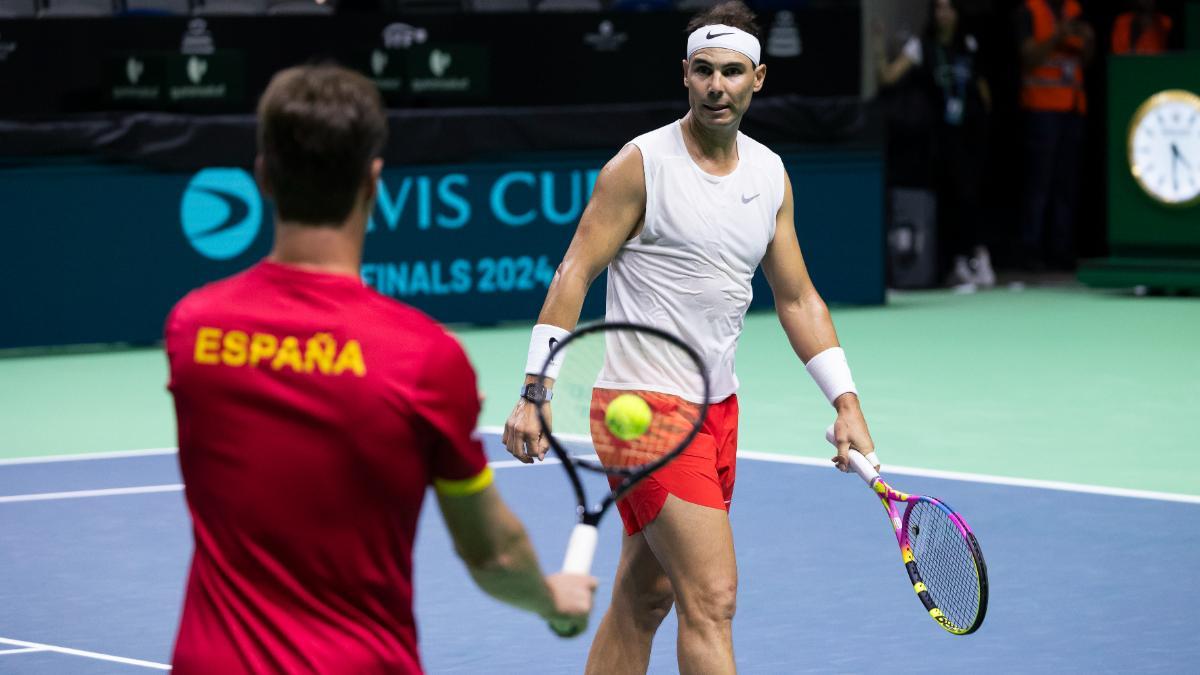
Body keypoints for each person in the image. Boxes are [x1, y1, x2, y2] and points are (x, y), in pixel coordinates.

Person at [164, 64, 595, 674]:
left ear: (263, 175)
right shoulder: (424, 358)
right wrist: (554, 599)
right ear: (374, 181)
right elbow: (492, 555)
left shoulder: (193, 329)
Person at [501, 2, 877, 673]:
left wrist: (845, 400)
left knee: (647, 595)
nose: (716, 85)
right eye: (703, 70)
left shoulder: (769, 175)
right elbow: (574, 270)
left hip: (718, 409)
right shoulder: (640, 164)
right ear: (684, 74)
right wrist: (536, 389)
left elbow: (797, 296)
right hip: (643, 410)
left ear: (757, 78)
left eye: (732, 71)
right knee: (713, 598)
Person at [875, 0, 996, 290]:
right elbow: (887, 77)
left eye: (949, 8)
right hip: (938, 139)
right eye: (939, 8)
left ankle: (975, 258)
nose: (944, 14)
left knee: (971, 195)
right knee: (949, 198)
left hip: (970, 134)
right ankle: (953, 263)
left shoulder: (969, 44)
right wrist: (878, 45)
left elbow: (981, 87)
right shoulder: (921, 47)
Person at [1015, 0, 1094, 272]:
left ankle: (1062, 251)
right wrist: (1058, 36)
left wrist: (1088, 40)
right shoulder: (1030, 10)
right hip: (1042, 107)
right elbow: (1028, 58)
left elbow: (1086, 58)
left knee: (1067, 185)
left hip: (1073, 107)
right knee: (1039, 184)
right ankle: (1030, 250)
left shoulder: (1074, 9)